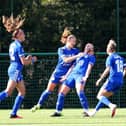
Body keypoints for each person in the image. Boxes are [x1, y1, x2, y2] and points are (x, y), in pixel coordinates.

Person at [31, 34, 84, 112]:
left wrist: (66, 75)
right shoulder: (61, 50)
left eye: (75, 41)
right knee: (49, 90)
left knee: (61, 93)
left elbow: (73, 65)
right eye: (73, 41)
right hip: (57, 73)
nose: (74, 43)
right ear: (68, 40)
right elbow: (65, 60)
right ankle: (38, 105)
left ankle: (58, 111)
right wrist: (77, 56)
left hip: (67, 75)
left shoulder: (76, 51)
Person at [1, 15, 37, 118]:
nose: (24, 35)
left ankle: (13, 113)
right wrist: (31, 60)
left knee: (22, 92)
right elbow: (23, 62)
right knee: (8, 92)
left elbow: (20, 60)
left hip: (15, 69)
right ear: (18, 36)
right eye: (23, 34)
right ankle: (13, 113)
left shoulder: (13, 44)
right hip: (15, 70)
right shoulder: (19, 46)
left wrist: (28, 59)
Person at [51, 43, 95, 117]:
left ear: (92, 49)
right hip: (72, 75)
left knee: (80, 92)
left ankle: (86, 111)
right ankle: (58, 111)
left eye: (90, 46)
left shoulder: (91, 57)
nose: (87, 46)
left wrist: (86, 76)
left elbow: (89, 67)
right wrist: (66, 76)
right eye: (86, 45)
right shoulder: (80, 55)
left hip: (80, 76)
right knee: (62, 93)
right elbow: (72, 66)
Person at [89, 39, 124, 117]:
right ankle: (93, 113)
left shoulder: (110, 57)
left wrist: (100, 79)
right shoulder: (120, 58)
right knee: (103, 97)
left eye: (107, 46)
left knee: (99, 96)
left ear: (109, 49)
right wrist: (122, 75)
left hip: (112, 80)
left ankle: (111, 106)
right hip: (120, 81)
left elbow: (107, 69)